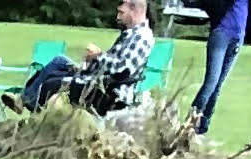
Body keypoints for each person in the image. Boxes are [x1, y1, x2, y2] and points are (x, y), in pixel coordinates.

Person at [20, 0, 156, 111]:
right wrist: (90, 64)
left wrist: (97, 56)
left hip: (109, 95)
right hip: (100, 83)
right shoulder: (132, 34)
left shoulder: (141, 37)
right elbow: (116, 64)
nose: (117, 17)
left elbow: (121, 69)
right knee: (59, 62)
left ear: (134, 11)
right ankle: (24, 102)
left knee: (50, 83)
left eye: (121, 13)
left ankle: (35, 121)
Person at [190, 0, 250, 138]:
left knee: (217, 86)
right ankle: (191, 123)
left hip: (237, 38)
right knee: (211, 82)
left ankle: (202, 128)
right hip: (222, 35)